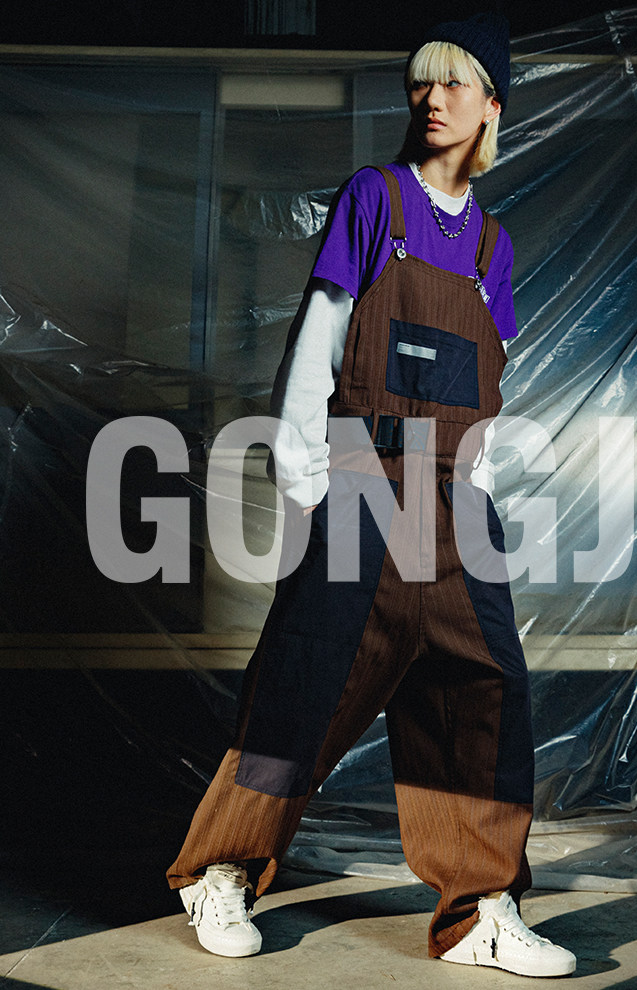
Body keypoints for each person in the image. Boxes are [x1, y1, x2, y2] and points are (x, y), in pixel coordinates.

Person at [167, 12, 576, 980]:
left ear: (492, 105)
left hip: (455, 498)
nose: (431, 99)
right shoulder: (374, 198)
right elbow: (317, 343)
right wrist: (309, 482)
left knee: (483, 691)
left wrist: (474, 494)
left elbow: (492, 382)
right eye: (421, 82)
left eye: (454, 83)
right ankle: (220, 870)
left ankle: (477, 909)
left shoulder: (493, 245)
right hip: (361, 478)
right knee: (305, 683)